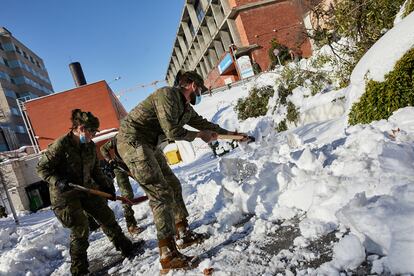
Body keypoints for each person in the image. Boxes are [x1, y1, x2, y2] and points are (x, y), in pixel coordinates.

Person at [116, 71, 249, 271]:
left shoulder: (185, 108)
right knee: (160, 193)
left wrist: (232, 134)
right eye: (199, 88)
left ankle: (183, 233)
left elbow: (204, 124)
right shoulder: (167, 95)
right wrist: (199, 135)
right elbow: (172, 131)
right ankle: (168, 254)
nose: (200, 93)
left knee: (173, 185)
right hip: (133, 142)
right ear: (191, 84)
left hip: (150, 145)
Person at [37, 109, 135, 276]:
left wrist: (107, 187)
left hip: (86, 188)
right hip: (65, 194)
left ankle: (126, 247)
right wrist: (57, 181)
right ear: (81, 128)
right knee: (80, 229)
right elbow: (41, 168)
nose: (94, 135)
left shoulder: (89, 146)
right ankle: (79, 270)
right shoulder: (60, 145)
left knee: (106, 216)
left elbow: (96, 170)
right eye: (93, 131)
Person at [100, 134, 143, 235]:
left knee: (149, 185)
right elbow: (103, 148)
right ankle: (131, 224)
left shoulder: (138, 135)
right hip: (119, 167)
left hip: (134, 165)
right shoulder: (117, 138)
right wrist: (109, 160)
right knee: (127, 195)